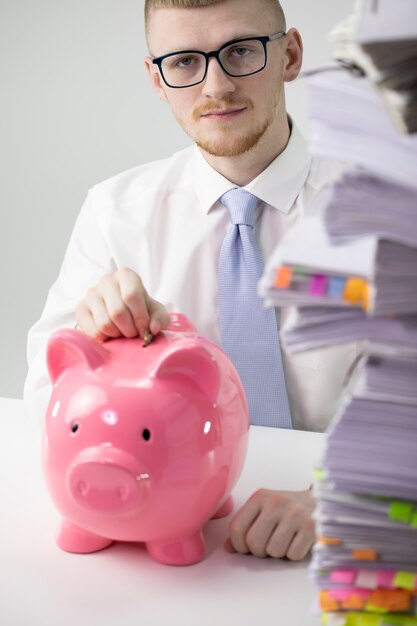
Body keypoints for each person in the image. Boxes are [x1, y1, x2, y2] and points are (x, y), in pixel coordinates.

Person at [24, 0, 358, 561]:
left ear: (291, 55)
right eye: (184, 62)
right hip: (173, 540)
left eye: (242, 51)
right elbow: (44, 393)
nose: (217, 86)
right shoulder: (115, 211)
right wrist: (98, 343)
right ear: (157, 79)